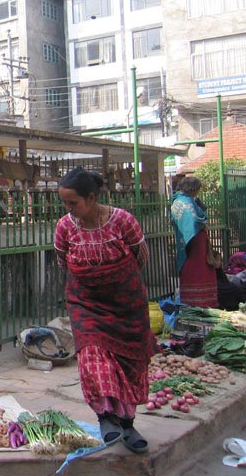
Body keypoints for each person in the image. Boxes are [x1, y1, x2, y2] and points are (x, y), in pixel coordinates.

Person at [54, 167, 155, 454]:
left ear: (92, 198)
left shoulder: (123, 221)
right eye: (65, 203)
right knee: (92, 356)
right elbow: (62, 260)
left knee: (130, 364)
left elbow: (141, 256)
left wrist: (117, 280)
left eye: (73, 202)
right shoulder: (65, 226)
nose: (69, 209)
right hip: (87, 303)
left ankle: (128, 423)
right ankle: (106, 418)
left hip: (127, 304)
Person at [170, 177, 217, 308]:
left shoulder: (181, 200)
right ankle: (199, 302)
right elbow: (195, 220)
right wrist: (202, 224)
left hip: (192, 241)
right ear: (193, 189)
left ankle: (201, 302)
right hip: (193, 241)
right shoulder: (184, 201)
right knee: (196, 270)